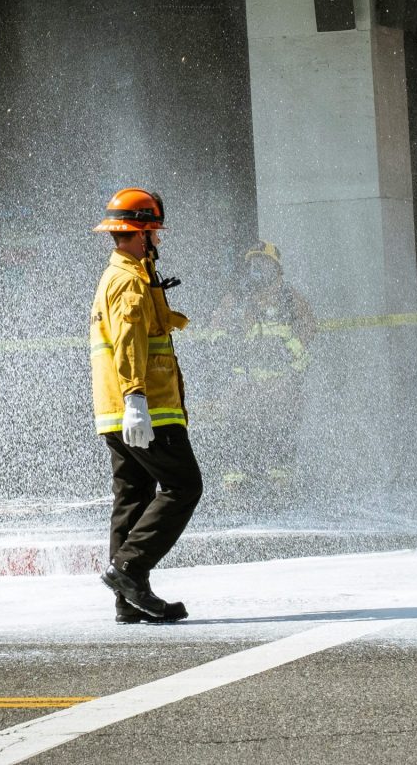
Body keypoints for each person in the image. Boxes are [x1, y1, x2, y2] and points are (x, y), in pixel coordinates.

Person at [90, 187, 202, 623]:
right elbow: (131, 341)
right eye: (153, 231)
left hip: (118, 410)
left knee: (133, 497)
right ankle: (129, 569)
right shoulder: (130, 281)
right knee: (183, 486)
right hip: (145, 407)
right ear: (140, 235)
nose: (157, 239)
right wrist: (136, 396)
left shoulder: (123, 275)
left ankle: (128, 599)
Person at [205, 241, 315, 496]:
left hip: (281, 381)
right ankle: (236, 481)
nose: (257, 269)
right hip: (245, 381)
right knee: (239, 427)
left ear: (276, 268)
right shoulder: (237, 298)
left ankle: (280, 483)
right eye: (253, 263)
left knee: (281, 429)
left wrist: (288, 350)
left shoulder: (290, 298)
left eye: (263, 263)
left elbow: (309, 326)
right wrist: (225, 346)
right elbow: (216, 327)